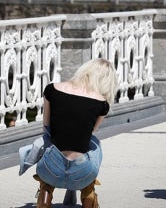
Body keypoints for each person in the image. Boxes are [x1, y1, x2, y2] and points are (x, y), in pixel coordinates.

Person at [33, 58, 117, 208]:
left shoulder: (52, 89)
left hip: (49, 168)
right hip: (83, 172)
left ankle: (45, 193)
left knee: (49, 140)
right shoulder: (102, 104)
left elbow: (46, 127)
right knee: (94, 143)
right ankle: (88, 195)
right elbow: (89, 132)